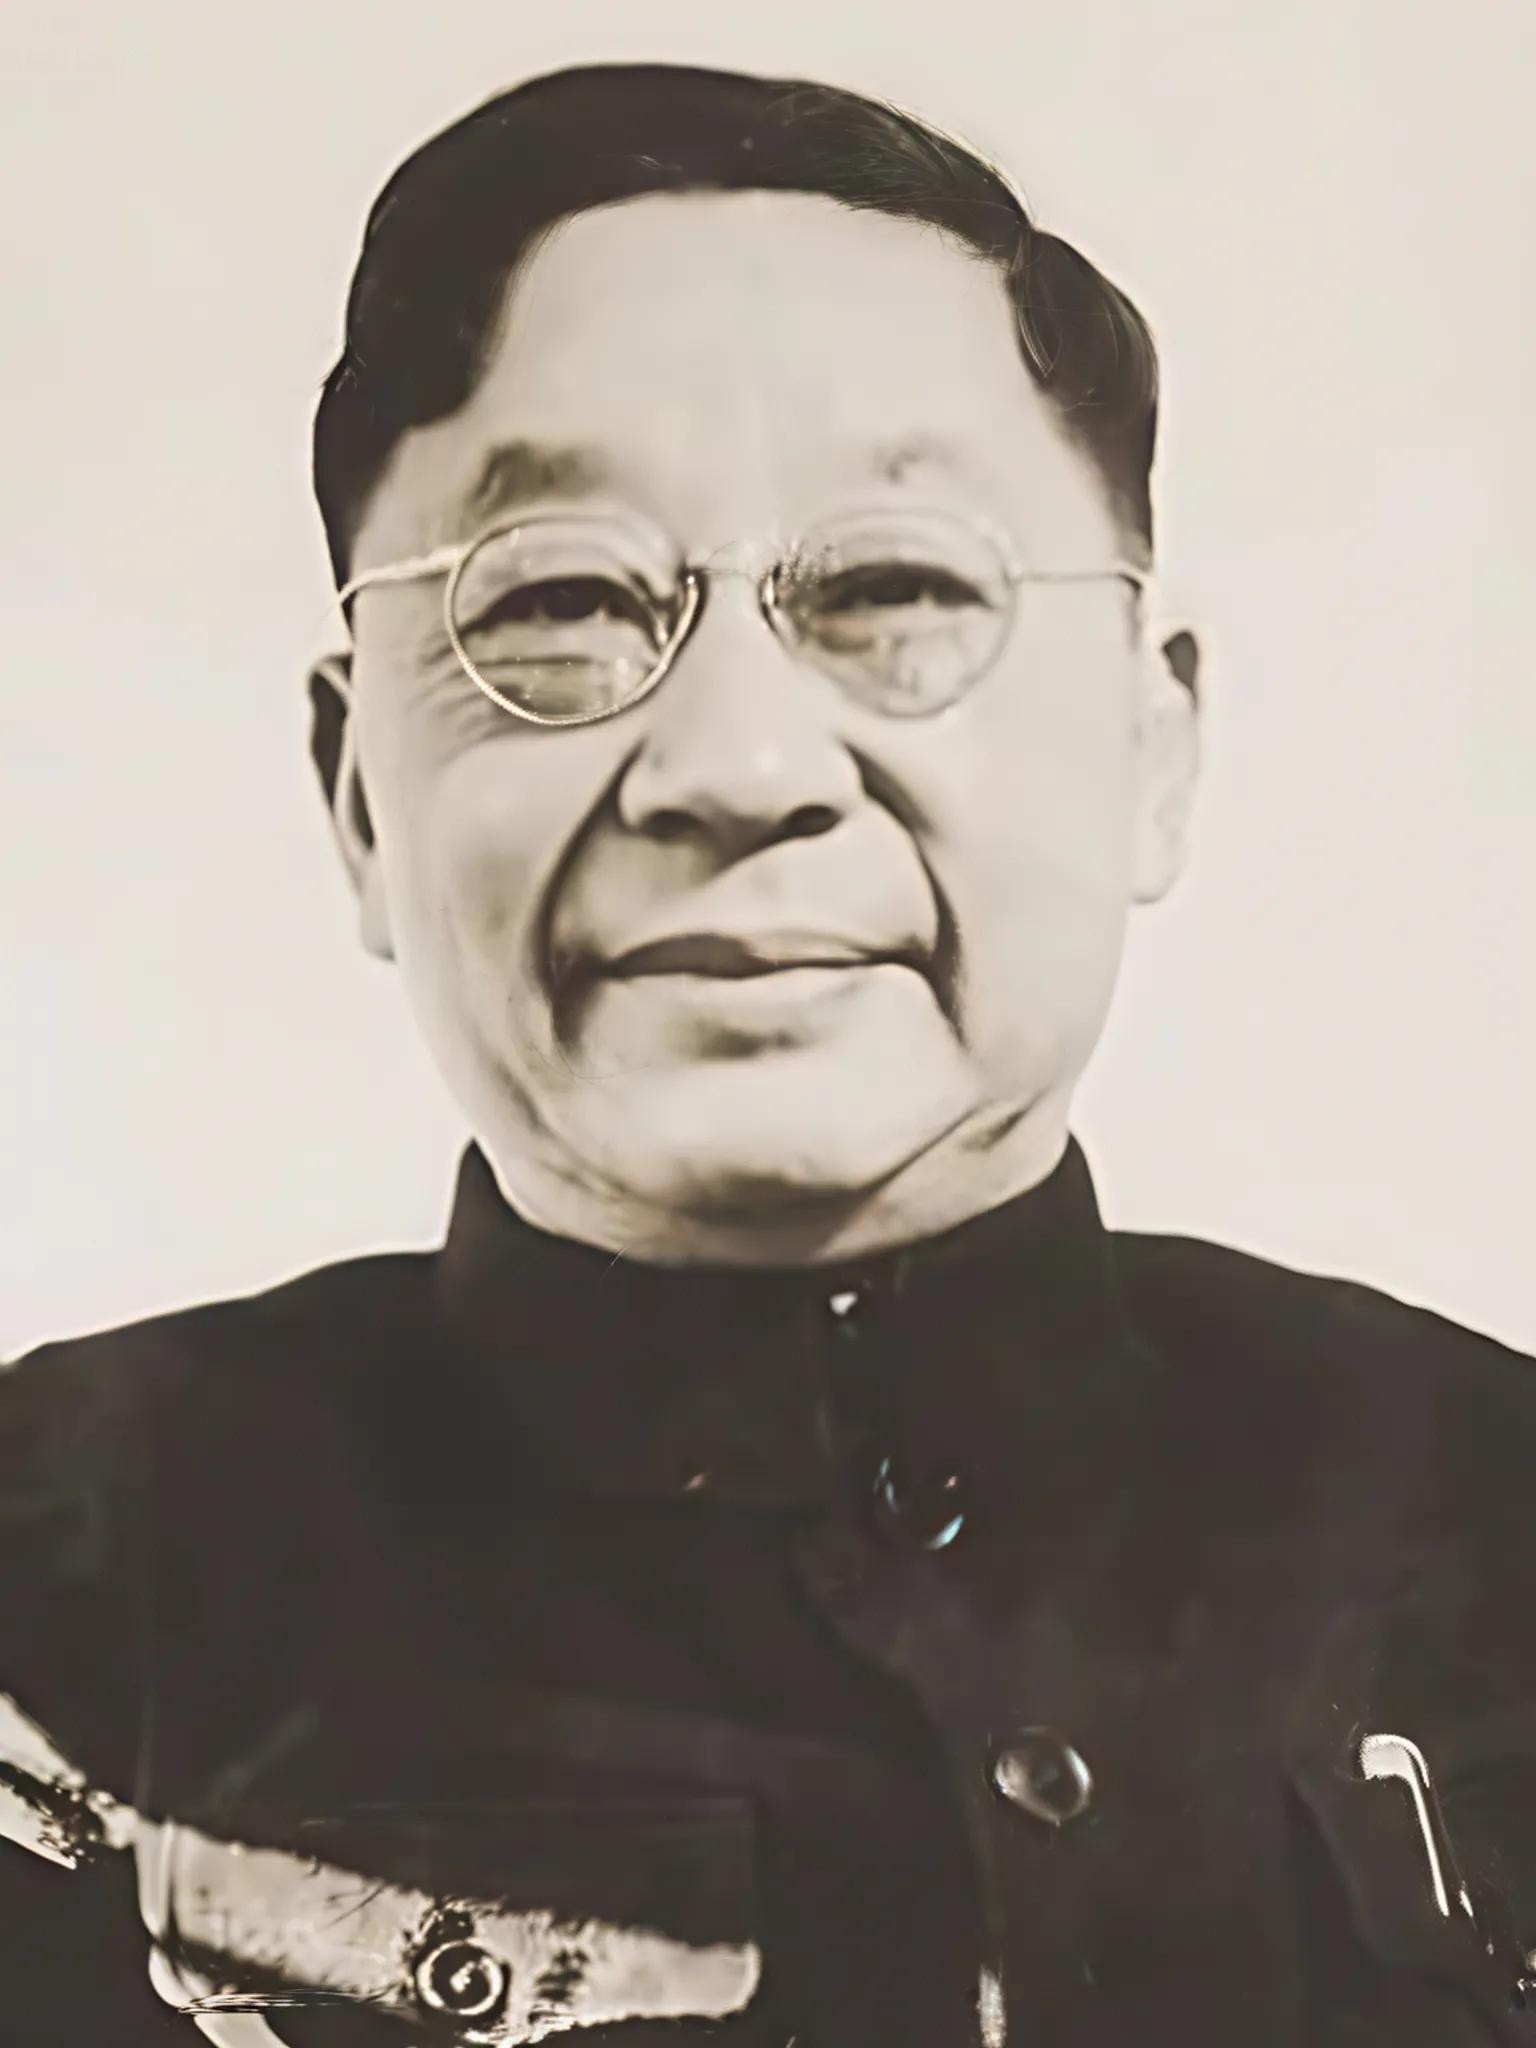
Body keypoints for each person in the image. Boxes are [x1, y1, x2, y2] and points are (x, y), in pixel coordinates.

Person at [2, 59, 1532, 2048]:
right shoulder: (56, 1613)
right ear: (359, 793)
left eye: (897, 588)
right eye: (559, 603)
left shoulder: (1495, 1524)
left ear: (1154, 745)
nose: (734, 765)